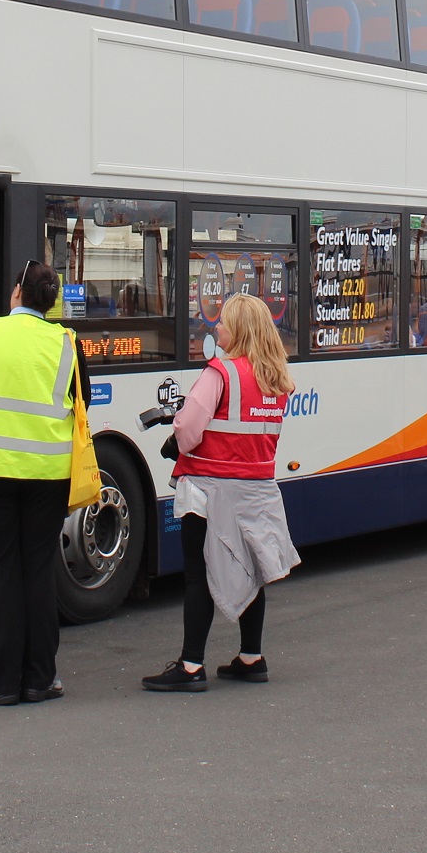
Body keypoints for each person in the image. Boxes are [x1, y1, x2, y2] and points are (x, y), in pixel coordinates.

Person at [142, 293, 302, 692]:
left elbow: (189, 428)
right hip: (259, 491)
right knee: (253, 572)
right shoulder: (276, 378)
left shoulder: (220, 373)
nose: (216, 327)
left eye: (223, 323)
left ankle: (191, 666)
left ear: (240, 331)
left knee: (199, 576)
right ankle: (251, 657)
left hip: (211, 491)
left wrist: (176, 438)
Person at [0, 260, 80, 705]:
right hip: (47, 472)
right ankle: (40, 678)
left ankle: (1, 681)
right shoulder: (66, 342)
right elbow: (78, 402)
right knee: (38, 568)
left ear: (16, 293)